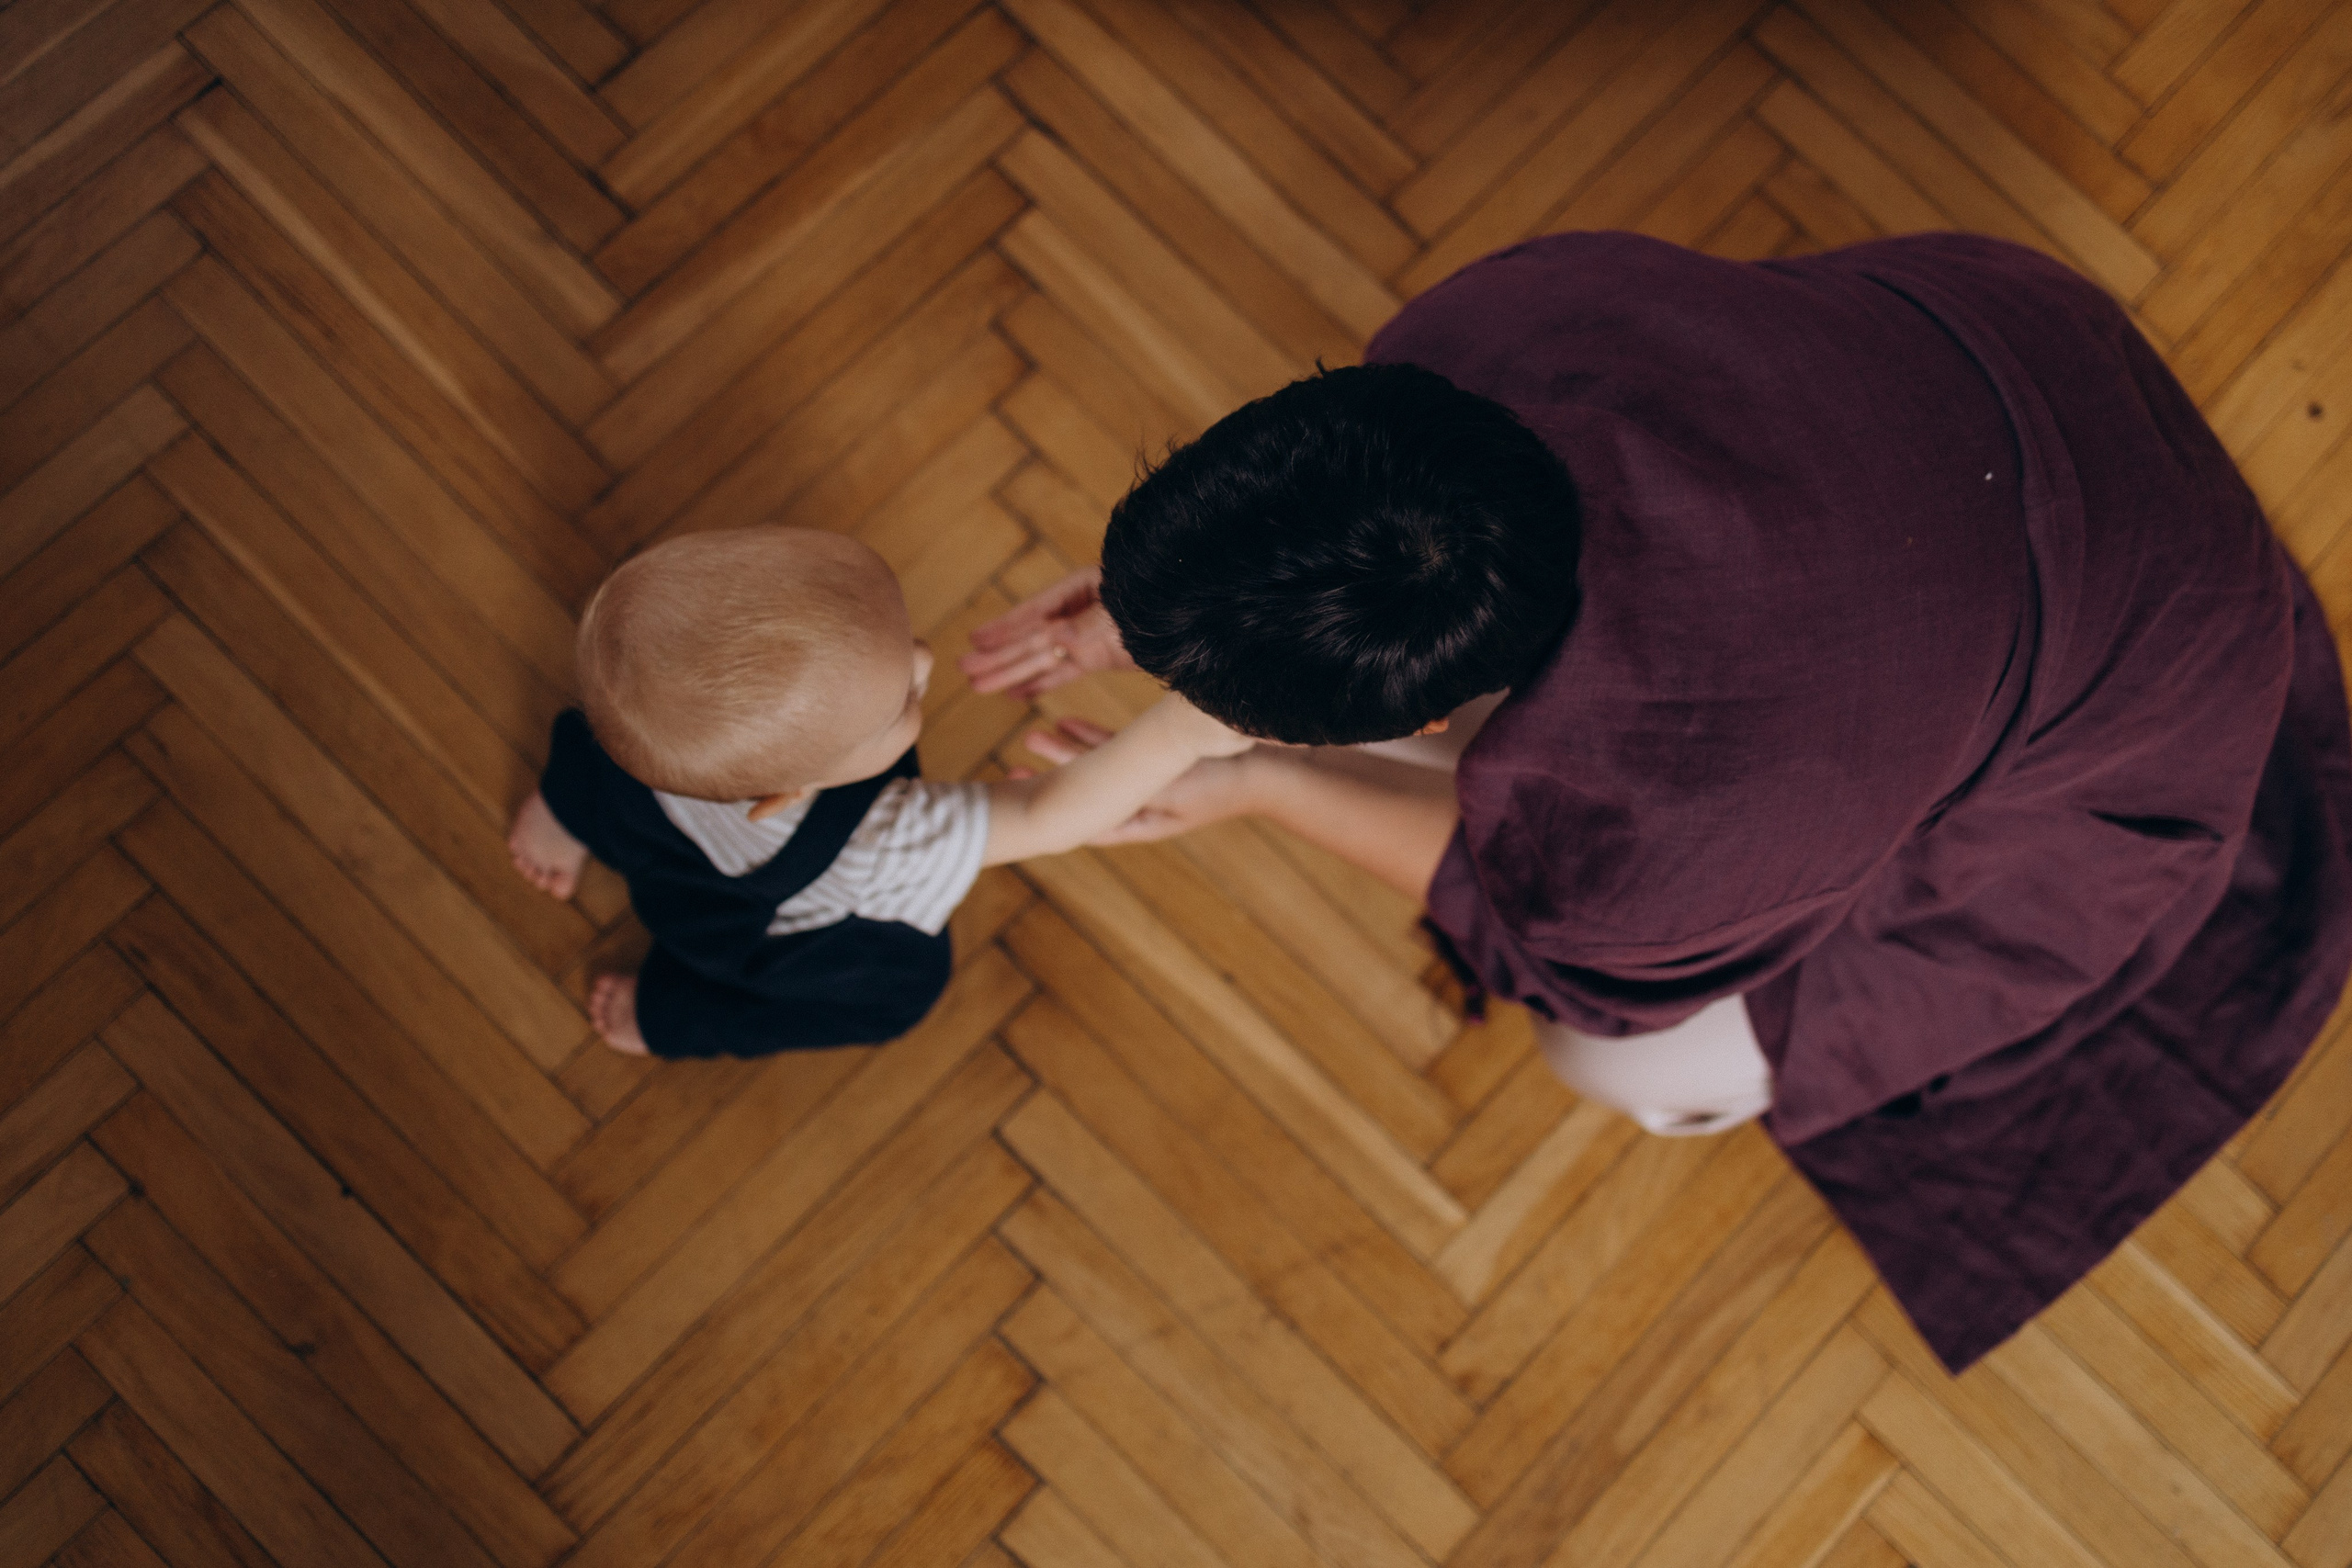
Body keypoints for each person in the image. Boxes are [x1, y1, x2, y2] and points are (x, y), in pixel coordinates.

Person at [961, 231, 2352, 1372]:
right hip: (2020, 354)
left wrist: (1263, 778)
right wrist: (1177, 612)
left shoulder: (1696, 819)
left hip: (2130, 716)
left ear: (1440, 711)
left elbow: (1573, 971)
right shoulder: (1489, 314)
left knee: (1619, 1063)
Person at [508, 526, 1245, 1057]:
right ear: (789, 793)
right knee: (894, 998)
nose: (925, 662)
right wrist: (1182, 734)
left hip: (648, 810)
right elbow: (1043, 815)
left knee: (596, 752)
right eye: (900, 702)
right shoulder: (878, 845)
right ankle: (670, 1016)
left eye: (905, 641)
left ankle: (565, 809)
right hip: (755, 935)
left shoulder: (656, 712)